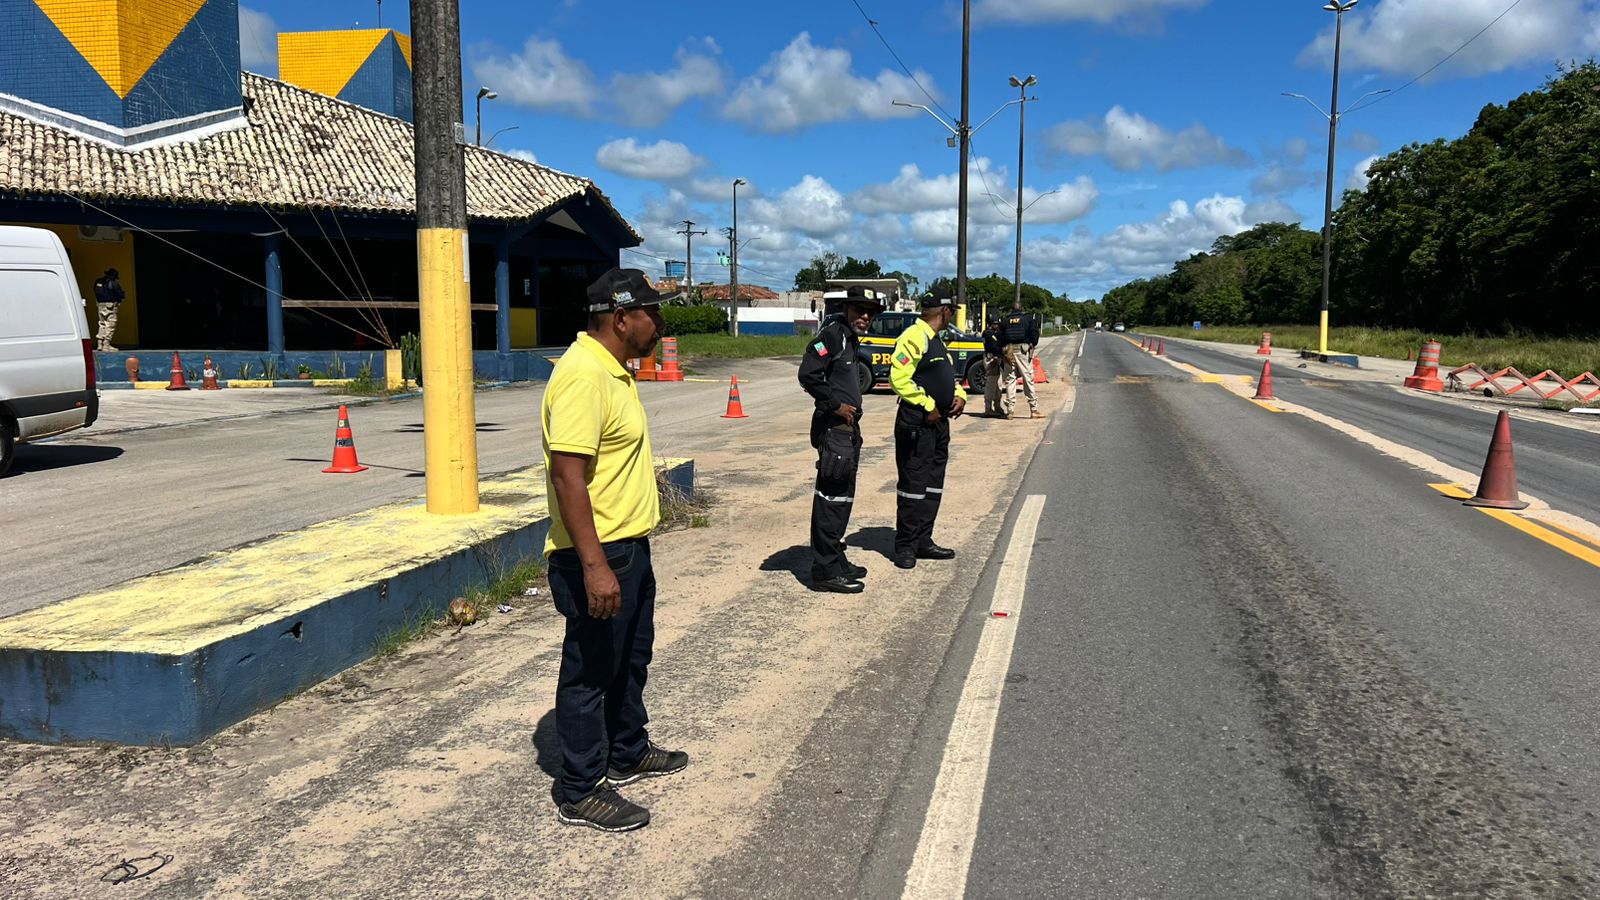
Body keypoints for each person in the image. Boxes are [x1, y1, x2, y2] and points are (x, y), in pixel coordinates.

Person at [542, 267, 687, 833]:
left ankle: (626, 750)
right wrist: (596, 566)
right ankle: (580, 789)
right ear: (622, 318)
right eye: (653, 312)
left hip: (629, 548)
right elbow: (568, 478)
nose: (660, 322)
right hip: (598, 555)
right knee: (590, 672)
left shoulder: (614, 370)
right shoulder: (584, 376)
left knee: (631, 659)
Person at [797, 286, 883, 593]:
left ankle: (835, 556)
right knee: (831, 497)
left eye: (869, 312)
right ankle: (825, 570)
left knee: (843, 496)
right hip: (834, 429)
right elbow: (808, 374)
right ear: (847, 309)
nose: (864, 316)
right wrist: (834, 404)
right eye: (859, 309)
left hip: (846, 431)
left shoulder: (849, 338)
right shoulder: (833, 335)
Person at [889, 293, 967, 569]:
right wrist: (927, 404)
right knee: (913, 486)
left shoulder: (937, 341)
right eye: (952, 312)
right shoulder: (914, 337)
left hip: (939, 424)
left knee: (933, 485)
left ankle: (924, 540)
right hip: (918, 423)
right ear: (945, 311)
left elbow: (948, 376)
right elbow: (898, 378)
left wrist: (959, 395)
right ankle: (906, 546)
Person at [1001, 300, 1042, 419]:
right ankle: (1033, 409)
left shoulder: (1006, 319)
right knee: (1028, 378)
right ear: (1022, 308)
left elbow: (1001, 335)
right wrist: (1033, 344)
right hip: (1023, 350)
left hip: (1008, 350)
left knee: (1010, 379)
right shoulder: (1027, 318)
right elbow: (1034, 333)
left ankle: (1010, 410)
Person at [93, 267, 124, 351]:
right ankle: (106, 345)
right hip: (110, 306)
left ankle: (100, 344)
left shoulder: (98, 282)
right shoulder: (113, 283)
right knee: (110, 325)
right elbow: (120, 294)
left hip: (100, 305)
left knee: (102, 324)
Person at [981, 315, 1005, 417]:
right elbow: (995, 347)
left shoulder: (993, 334)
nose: (997, 326)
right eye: (995, 324)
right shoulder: (988, 334)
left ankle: (997, 406)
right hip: (991, 360)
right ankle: (988, 408)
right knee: (991, 385)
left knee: (998, 386)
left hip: (996, 360)